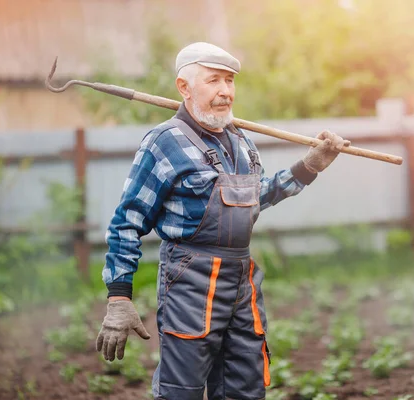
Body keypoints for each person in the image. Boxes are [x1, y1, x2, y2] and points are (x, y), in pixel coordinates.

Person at [96, 42, 350, 400]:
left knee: (244, 388)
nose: (225, 91)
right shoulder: (163, 143)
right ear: (184, 87)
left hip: (241, 280)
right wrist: (119, 297)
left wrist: (309, 167)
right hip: (190, 279)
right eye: (213, 80)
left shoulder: (241, 141)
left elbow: (253, 199)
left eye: (229, 81)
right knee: (179, 391)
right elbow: (127, 220)